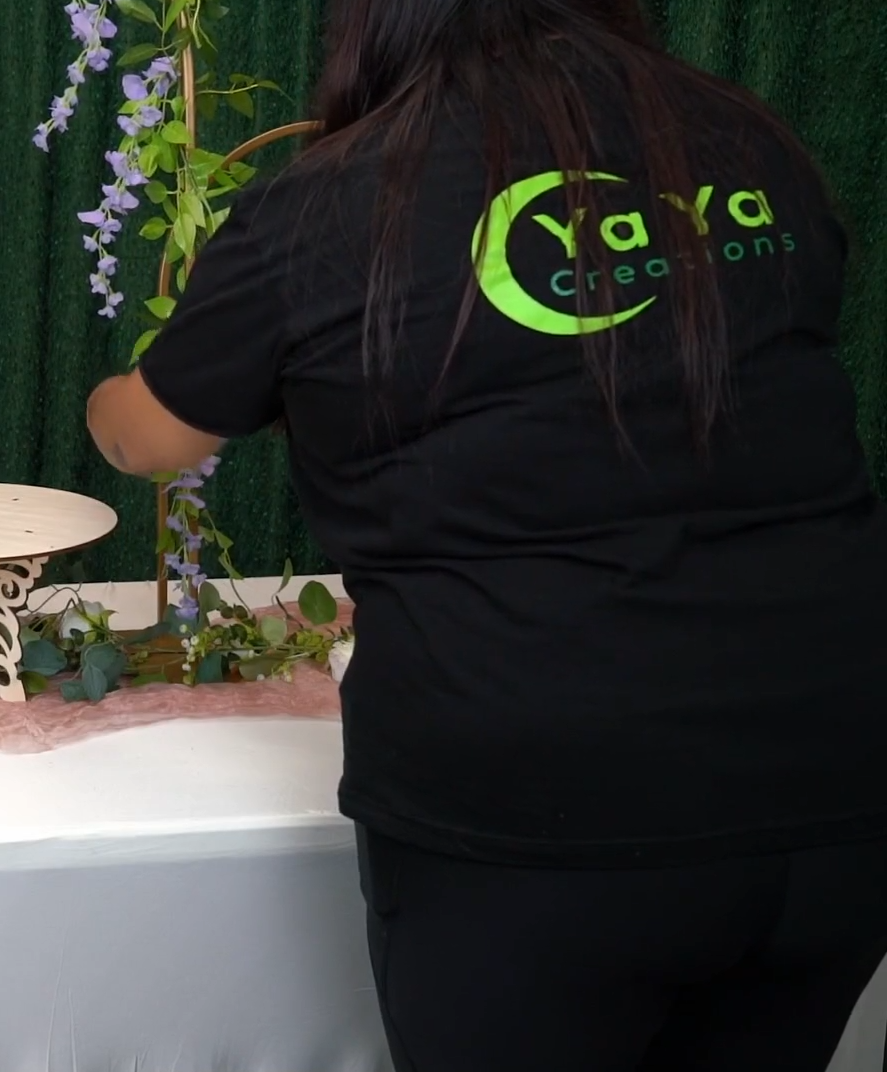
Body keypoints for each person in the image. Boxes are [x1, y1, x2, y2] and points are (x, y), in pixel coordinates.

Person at [84, 0, 887, 1068]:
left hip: (537, 821)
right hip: (840, 785)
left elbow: (151, 439)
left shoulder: (329, 204)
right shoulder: (749, 141)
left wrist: (119, 395)